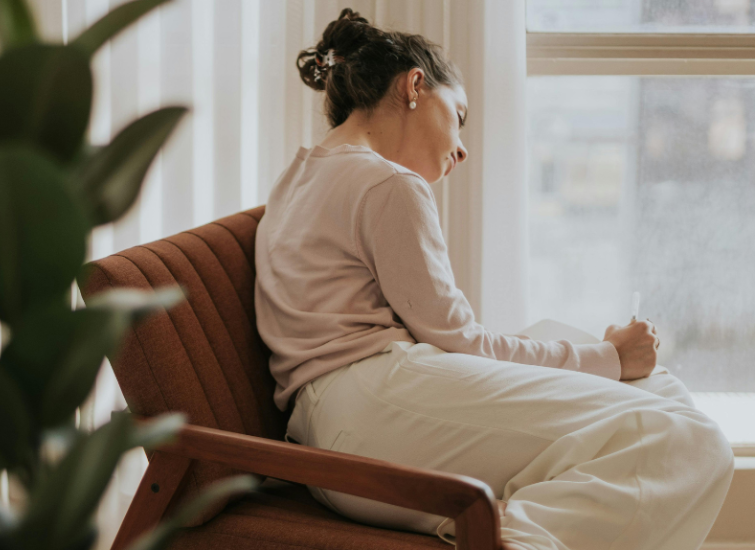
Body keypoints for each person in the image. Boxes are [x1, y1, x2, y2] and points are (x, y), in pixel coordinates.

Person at [253, 8, 734, 550]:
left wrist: (610, 362)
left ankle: (521, 523)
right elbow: (461, 340)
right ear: (415, 86)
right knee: (689, 437)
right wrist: (608, 359)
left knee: (655, 389)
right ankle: (517, 535)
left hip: (337, 426)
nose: (461, 148)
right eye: (458, 116)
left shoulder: (297, 177)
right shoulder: (388, 184)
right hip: (369, 413)